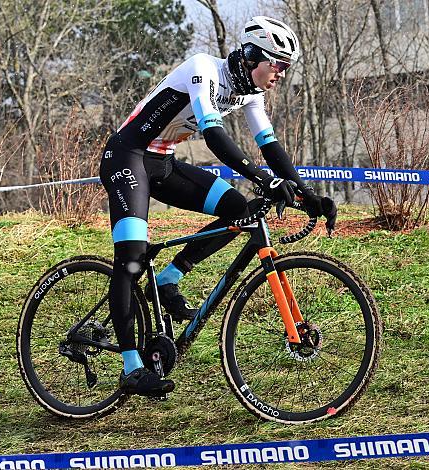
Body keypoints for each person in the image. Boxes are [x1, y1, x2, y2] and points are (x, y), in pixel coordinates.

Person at [99, 16, 338, 397]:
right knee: (130, 258)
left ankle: (169, 278)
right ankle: (131, 366)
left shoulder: (250, 93)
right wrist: (262, 178)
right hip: (127, 158)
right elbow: (213, 134)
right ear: (251, 56)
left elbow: (269, 145)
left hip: (162, 164)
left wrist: (306, 194)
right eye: (276, 63)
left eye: (285, 67)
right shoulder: (204, 70)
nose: (279, 73)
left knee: (238, 210)